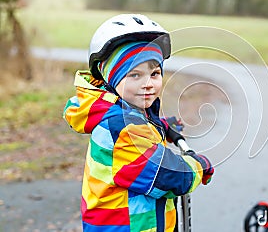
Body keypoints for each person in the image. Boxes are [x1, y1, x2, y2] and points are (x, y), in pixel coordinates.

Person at [63, 14, 214, 232]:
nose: (148, 84)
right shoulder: (121, 128)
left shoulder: (124, 113)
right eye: (134, 75)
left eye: (154, 73)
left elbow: (142, 127)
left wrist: (162, 125)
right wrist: (199, 166)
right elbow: (168, 176)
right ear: (112, 78)